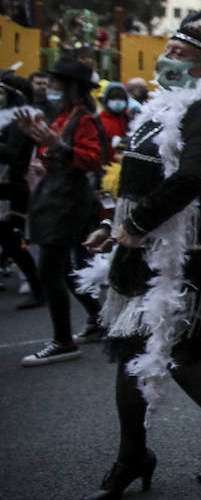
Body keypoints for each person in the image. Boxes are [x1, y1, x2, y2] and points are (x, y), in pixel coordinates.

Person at [75, 8, 201, 500]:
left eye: (179, 54)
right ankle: (134, 457)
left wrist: (133, 226)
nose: (166, 60)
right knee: (130, 351)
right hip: (144, 244)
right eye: (167, 51)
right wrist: (112, 226)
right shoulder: (156, 110)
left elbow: (192, 177)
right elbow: (137, 180)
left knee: (183, 356)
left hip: (191, 252)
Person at [18, 57, 108, 365]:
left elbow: (94, 159)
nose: (51, 87)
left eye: (56, 83)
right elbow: (46, 156)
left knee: (51, 269)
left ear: (71, 88)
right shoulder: (62, 116)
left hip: (69, 199)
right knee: (69, 270)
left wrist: (59, 147)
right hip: (55, 195)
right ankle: (100, 321)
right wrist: (41, 141)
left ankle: (64, 340)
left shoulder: (83, 118)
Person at [0, 74, 42, 310]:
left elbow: (14, 154)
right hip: (5, 188)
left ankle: (38, 288)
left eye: (3, 92)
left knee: (13, 242)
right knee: (10, 242)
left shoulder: (20, 119)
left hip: (10, 191)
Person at [98, 83, 132, 149]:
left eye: (121, 99)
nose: (118, 102)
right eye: (113, 99)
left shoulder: (130, 118)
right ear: (106, 100)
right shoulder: (99, 121)